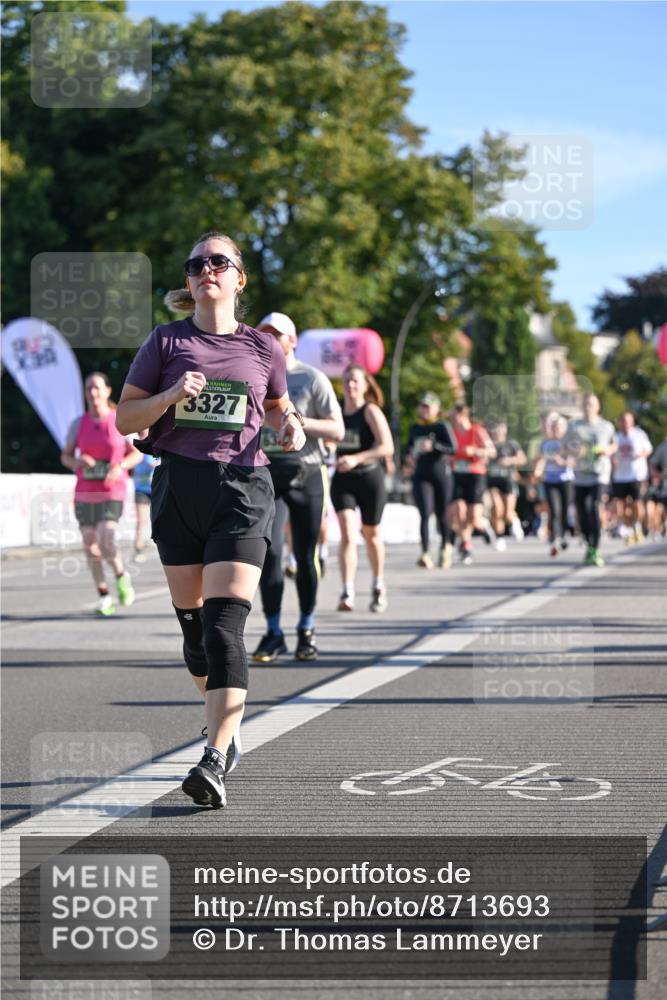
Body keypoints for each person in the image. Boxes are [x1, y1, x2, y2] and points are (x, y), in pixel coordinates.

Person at [116, 231, 305, 809]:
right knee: (195, 634)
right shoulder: (166, 340)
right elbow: (126, 417)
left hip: (244, 488)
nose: (207, 271)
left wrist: (290, 424)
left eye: (219, 262)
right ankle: (224, 723)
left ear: (238, 278)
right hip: (180, 488)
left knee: (225, 626)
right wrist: (172, 394)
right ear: (191, 279)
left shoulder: (262, 348)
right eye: (197, 264)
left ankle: (215, 756)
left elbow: (276, 404)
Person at [252, 311, 344, 663]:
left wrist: (299, 420)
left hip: (306, 471)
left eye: (278, 334)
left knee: (305, 556)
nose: (271, 339)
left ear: (292, 341)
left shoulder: (312, 378)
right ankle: (273, 630)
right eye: (265, 334)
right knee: (269, 552)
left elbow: (336, 430)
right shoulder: (252, 377)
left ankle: (306, 626)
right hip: (265, 474)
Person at [61, 372, 141, 615]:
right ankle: (104, 595)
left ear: (107, 391)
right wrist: (78, 462)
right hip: (85, 492)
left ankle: (120, 574)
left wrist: (120, 467)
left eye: (97, 388)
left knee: (106, 538)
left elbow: (137, 453)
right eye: (88, 389)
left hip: (112, 490)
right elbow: (65, 456)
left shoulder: (120, 421)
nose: (93, 393)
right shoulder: (78, 423)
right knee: (90, 547)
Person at [330, 364, 393, 612]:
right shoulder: (334, 412)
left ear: (366, 385)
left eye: (356, 381)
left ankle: (378, 584)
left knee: (371, 535)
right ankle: (347, 590)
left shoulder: (370, 411)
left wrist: (357, 458)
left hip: (369, 478)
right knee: (347, 533)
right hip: (343, 480)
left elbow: (387, 447)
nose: (350, 385)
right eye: (347, 380)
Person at [403, 392, 456, 568]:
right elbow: (408, 448)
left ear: (436, 409)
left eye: (428, 406)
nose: (424, 410)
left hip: (440, 474)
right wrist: (409, 458)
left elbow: (453, 448)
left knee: (442, 515)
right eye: (422, 406)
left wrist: (434, 446)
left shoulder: (442, 426)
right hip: (421, 475)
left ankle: (446, 546)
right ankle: (425, 553)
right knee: (425, 513)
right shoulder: (415, 428)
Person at [566, 393, 617, 567]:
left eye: (591, 404)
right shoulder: (574, 426)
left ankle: (595, 548)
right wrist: (575, 451)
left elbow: (614, 444)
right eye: (586, 404)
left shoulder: (606, 426)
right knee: (582, 512)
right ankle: (589, 544)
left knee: (593, 507)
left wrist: (607, 450)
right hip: (580, 475)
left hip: (600, 474)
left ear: (598, 407)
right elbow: (565, 447)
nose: (588, 408)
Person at [448, 404, 496, 565]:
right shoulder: (452, 433)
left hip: (475, 475)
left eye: (455, 415)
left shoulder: (476, 431)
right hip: (457, 475)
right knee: (458, 511)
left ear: (463, 415)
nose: (452, 419)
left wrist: (474, 451)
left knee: (473, 517)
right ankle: (466, 545)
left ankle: (483, 525)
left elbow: (491, 451)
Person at [533, 413, 574, 556]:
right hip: (550, 481)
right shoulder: (546, 443)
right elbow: (540, 460)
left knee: (564, 511)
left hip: (566, 480)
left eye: (559, 427)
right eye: (555, 427)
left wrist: (562, 462)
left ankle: (562, 535)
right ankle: (555, 539)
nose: (557, 429)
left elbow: (574, 462)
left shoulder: (568, 443)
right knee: (554, 510)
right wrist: (537, 471)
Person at [611, 411, 652, 544]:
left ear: (632, 422)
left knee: (637, 505)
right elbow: (611, 452)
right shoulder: (616, 437)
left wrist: (641, 455)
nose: (625, 424)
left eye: (627, 421)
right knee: (620, 506)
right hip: (620, 476)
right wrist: (613, 460)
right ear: (619, 423)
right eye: (623, 421)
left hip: (637, 475)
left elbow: (648, 449)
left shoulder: (639, 435)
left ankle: (637, 525)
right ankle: (628, 529)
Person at [486, 420, 527, 550]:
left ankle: (515, 522)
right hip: (492, 481)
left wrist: (509, 460)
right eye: (495, 429)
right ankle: (499, 537)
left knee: (508, 512)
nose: (497, 432)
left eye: (500, 429)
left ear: (505, 430)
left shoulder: (511, 444)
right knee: (497, 509)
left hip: (508, 481)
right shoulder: (488, 445)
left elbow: (523, 459)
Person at [132, 450, 159, 562]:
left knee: (159, 520)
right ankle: (138, 550)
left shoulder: (160, 446)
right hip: (141, 490)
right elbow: (150, 463)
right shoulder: (141, 448)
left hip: (157, 488)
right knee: (141, 521)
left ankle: (161, 548)